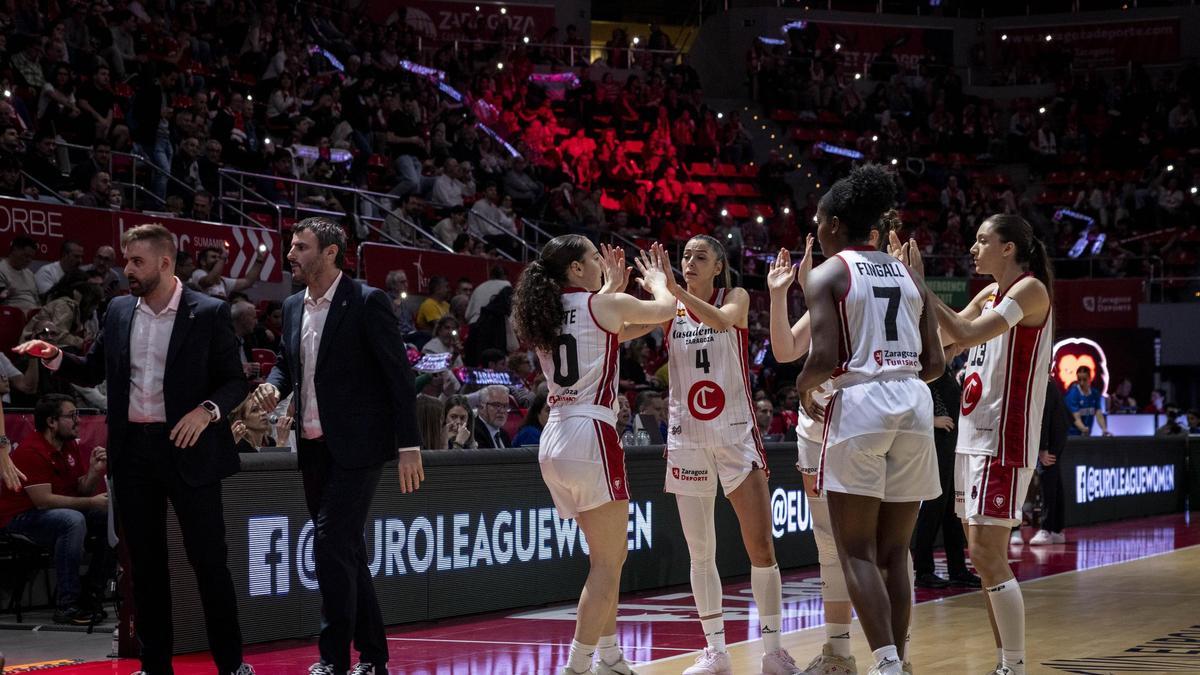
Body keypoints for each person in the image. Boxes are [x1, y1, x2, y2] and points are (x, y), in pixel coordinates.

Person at [15, 223, 254, 675]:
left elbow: (234, 381)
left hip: (191, 448)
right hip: (135, 454)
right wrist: (56, 357)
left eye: (136, 261)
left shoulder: (208, 311)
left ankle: (231, 664)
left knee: (209, 563)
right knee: (144, 568)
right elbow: (93, 371)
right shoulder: (120, 310)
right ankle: (154, 665)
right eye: (126, 260)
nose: (127, 269)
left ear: (165, 262)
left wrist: (206, 411)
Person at [251, 217, 422, 675]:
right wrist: (273, 387)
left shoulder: (367, 301)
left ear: (330, 253)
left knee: (330, 544)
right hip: (311, 446)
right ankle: (374, 656)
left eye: (301, 247)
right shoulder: (291, 307)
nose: (291, 255)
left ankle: (333, 659)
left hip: (359, 448)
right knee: (345, 550)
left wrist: (409, 445)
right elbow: (287, 365)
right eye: (291, 246)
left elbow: (398, 378)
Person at [794, 165, 944, 675]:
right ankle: (898, 660)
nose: (815, 229)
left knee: (855, 549)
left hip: (861, 403)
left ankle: (884, 666)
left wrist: (800, 385)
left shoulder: (829, 271)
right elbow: (937, 364)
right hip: (914, 400)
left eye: (818, 220)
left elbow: (823, 357)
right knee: (894, 551)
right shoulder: (909, 273)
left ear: (836, 224)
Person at [632, 234, 798, 675]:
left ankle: (773, 651)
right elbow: (631, 321)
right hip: (687, 438)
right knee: (700, 551)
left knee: (760, 545)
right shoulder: (670, 304)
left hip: (734, 435)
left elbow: (724, 321)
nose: (689, 261)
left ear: (718, 267)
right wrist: (644, 291)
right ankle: (715, 651)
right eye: (684, 255)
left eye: (699, 257)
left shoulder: (735, 296)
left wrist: (673, 291)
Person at [512, 236, 676, 675]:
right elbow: (665, 311)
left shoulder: (548, 312)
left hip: (556, 435)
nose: (602, 261)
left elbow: (617, 333)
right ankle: (577, 666)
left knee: (604, 559)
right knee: (608, 562)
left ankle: (609, 654)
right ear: (577, 270)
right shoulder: (602, 305)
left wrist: (613, 297)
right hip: (591, 434)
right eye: (593, 257)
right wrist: (659, 282)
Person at [919, 213, 1055, 675]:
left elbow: (970, 332)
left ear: (1009, 248)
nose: (973, 249)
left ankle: (1013, 666)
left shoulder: (1030, 291)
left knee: (986, 554)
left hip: (1004, 435)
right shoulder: (990, 293)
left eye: (982, 241)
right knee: (981, 556)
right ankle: (1005, 662)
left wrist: (920, 285)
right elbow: (947, 340)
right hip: (972, 434)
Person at [0, 394, 113, 625]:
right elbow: (44, 501)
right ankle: (67, 604)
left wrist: (94, 471)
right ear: (52, 422)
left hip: (53, 513)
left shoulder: (69, 445)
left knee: (110, 517)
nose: (78, 421)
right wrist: (91, 503)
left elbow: (80, 490)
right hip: (21, 517)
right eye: (71, 416)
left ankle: (91, 593)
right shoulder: (31, 450)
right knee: (72, 520)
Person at [912, 363, 979, 588]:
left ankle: (957, 568)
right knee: (933, 507)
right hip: (936, 443)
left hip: (951, 445)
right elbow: (913, 399)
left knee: (953, 510)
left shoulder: (946, 368)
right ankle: (922, 570)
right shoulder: (929, 368)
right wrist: (931, 420)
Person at [1029, 380, 1069, 546]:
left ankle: (1046, 529)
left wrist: (1043, 447)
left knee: (1048, 483)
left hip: (1050, 441)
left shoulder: (1043, 385)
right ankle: (1057, 530)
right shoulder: (1050, 384)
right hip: (1057, 438)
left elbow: (1043, 416)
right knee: (1055, 483)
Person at [191, 245, 268, 300]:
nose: (218, 260)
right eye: (213, 257)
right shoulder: (198, 273)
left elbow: (248, 282)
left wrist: (259, 259)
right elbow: (210, 280)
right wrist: (223, 258)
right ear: (203, 262)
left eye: (218, 257)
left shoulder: (222, 281)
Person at [1064, 365, 1111, 437]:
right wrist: (1084, 429)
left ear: (1090, 378)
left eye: (1084, 379)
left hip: (1086, 434)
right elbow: (1076, 417)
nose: (1081, 383)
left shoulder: (1095, 393)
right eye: (1079, 379)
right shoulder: (1072, 394)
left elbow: (1098, 414)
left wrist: (1104, 429)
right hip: (1071, 435)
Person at [0, 236, 40, 310]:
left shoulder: (30, 274)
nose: (28, 260)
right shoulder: (1, 270)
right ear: (14, 250)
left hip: (34, 316)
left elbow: (37, 301)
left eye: (31, 257)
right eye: (26, 256)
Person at [472, 384, 513, 448]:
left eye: (505, 406)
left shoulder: (504, 435)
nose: (502, 411)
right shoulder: (473, 433)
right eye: (496, 405)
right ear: (481, 407)